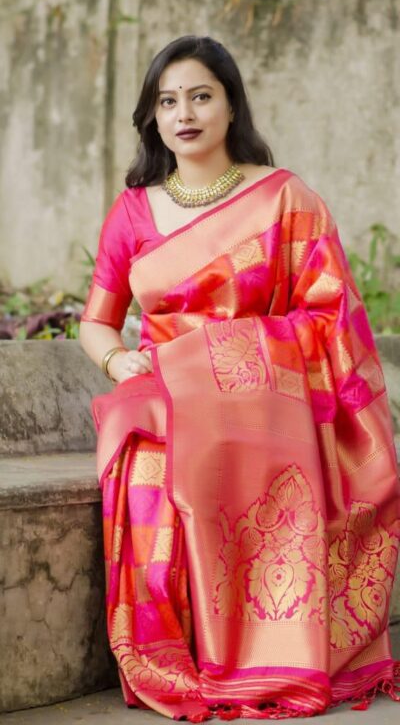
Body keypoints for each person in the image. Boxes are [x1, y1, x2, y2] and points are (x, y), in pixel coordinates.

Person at [79, 35, 400, 721]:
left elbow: (329, 314)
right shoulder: (132, 211)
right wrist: (117, 360)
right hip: (163, 390)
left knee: (238, 449)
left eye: (200, 96)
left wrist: (230, 356)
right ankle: (172, 651)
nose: (184, 114)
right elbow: (97, 322)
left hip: (263, 397)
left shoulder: (284, 198)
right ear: (153, 116)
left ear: (230, 105)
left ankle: (266, 650)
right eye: (168, 101)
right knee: (142, 461)